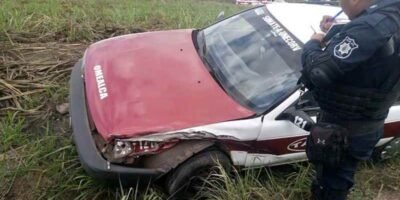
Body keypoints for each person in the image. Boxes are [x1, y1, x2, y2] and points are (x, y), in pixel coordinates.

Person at [301, 0, 400, 199]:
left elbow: (319, 71)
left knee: (331, 187)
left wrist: (312, 44)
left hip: (344, 129)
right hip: (367, 122)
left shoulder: (372, 27)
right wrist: (340, 31)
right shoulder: (391, 15)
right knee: (335, 178)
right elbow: (375, 51)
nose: (341, 5)